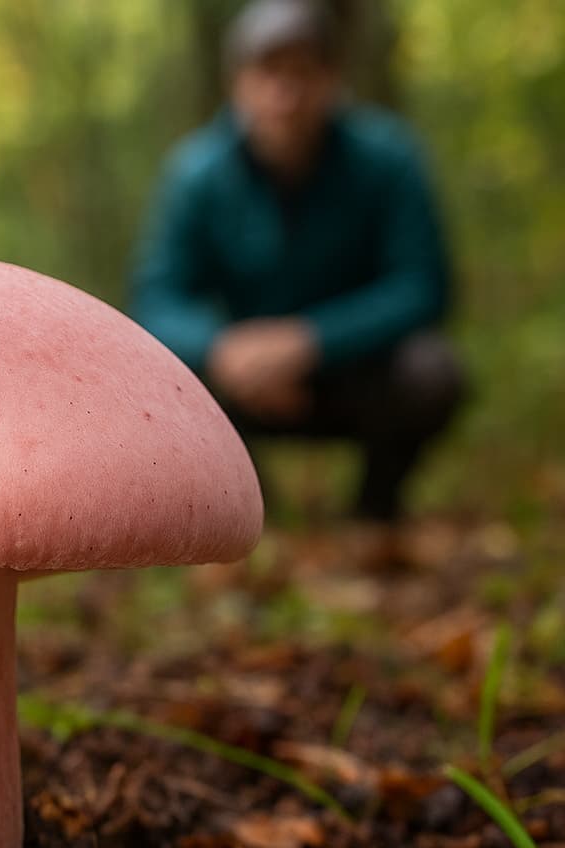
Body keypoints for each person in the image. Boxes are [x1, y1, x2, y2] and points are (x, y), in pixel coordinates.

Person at [130, 0, 464, 523]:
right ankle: (251, 515)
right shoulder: (195, 175)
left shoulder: (389, 159)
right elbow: (156, 300)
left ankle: (376, 509)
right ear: (236, 82)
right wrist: (223, 349)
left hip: (354, 375)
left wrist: (309, 342)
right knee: (154, 377)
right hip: (238, 385)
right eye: (267, 73)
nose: (284, 95)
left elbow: (424, 287)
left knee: (433, 370)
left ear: (332, 80)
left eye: (301, 73)